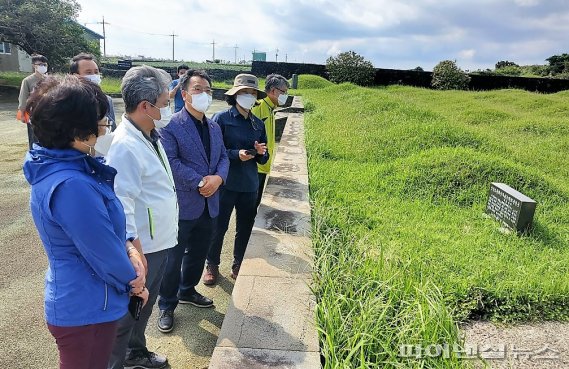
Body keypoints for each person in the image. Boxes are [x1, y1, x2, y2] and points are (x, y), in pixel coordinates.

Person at [22, 75, 148, 369]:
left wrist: (129, 247)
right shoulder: (71, 184)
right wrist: (137, 282)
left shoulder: (70, 168)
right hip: (87, 307)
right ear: (78, 132)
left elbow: (107, 231)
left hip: (88, 300)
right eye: (101, 121)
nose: (105, 126)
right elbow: (102, 251)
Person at [106, 66, 178, 369]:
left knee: (143, 307)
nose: (168, 105)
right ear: (146, 106)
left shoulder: (149, 134)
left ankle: (136, 352)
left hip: (160, 240)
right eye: (165, 101)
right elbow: (121, 203)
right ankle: (115, 363)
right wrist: (134, 248)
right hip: (145, 246)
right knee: (129, 312)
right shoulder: (125, 145)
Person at [157, 70, 229, 333]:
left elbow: (223, 158)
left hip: (210, 204)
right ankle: (166, 303)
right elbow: (171, 163)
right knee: (173, 257)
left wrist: (218, 180)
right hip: (185, 202)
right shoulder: (172, 126)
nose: (204, 94)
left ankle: (187, 290)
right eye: (198, 89)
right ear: (184, 94)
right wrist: (201, 182)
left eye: (208, 90)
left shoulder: (214, 126)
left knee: (199, 251)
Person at [204, 73, 269, 284]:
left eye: (252, 93)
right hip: (225, 182)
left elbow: (264, 156)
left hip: (249, 184)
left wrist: (260, 153)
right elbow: (214, 151)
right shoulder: (221, 119)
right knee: (218, 226)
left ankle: (239, 262)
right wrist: (235, 154)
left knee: (245, 226)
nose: (249, 96)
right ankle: (211, 265)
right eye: (244, 93)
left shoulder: (258, 123)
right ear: (235, 95)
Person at [251, 73, 290, 207]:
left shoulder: (271, 109)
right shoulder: (258, 107)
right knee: (250, 206)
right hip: (254, 167)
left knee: (256, 204)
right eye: (284, 92)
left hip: (263, 166)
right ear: (273, 91)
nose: (286, 95)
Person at [70, 52, 117, 131]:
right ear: (75, 76)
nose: (94, 76)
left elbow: (113, 129)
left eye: (96, 72)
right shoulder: (68, 101)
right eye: (88, 72)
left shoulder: (107, 100)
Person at [18, 54, 48, 150]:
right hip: (33, 114)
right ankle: (34, 159)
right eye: (40, 64)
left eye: (44, 64)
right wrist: (22, 114)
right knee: (34, 138)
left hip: (49, 113)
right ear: (34, 66)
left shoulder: (49, 79)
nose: (42, 66)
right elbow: (23, 98)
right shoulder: (28, 80)